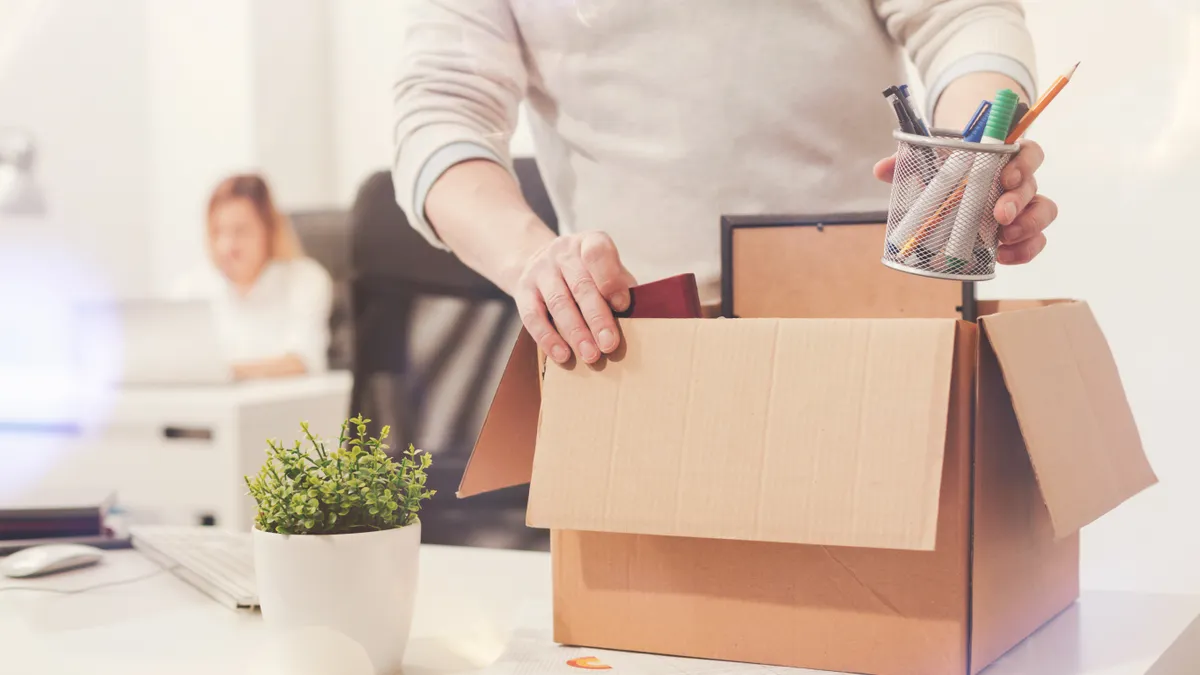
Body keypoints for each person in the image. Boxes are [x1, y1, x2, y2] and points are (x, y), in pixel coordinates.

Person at [392, 1, 1057, 367]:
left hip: (874, 333)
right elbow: (442, 111)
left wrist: (970, 157)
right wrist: (531, 259)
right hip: (641, 345)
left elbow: (962, 15)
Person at [173, 173, 333, 380]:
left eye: (241, 231)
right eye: (218, 232)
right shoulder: (190, 287)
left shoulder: (306, 280)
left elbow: (305, 361)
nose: (227, 246)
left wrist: (228, 373)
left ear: (269, 231)